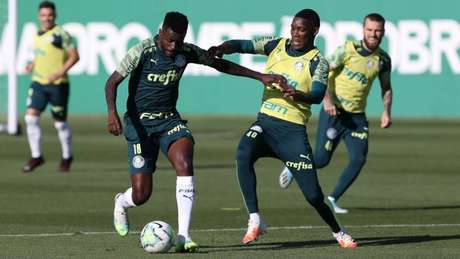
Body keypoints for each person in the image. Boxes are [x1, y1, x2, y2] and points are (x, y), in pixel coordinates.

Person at [105, 11, 288, 253]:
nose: (173, 47)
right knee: (141, 195)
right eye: (169, 40)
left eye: (178, 42)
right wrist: (112, 113)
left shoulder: (186, 51)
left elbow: (220, 64)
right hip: (139, 125)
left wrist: (259, 76)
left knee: (184, 161)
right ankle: (122, 202)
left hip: (169, 121)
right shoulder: (142, 51)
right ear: (160, 33)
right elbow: (112, 82)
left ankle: (183, 236)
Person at [208, 9, 357, 248]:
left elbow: (318, 95)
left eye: (302, 29)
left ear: (314, 31)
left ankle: (338, 231)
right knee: (243, 152)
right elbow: (243, 44)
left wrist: (297, 94)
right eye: (293, 28)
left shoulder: (318, 61)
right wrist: (223, 47)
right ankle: (255, 219)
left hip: (292, 133)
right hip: (265, 123)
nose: (296, 34)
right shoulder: (275, 45)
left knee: (314, 196)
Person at [279, 13, 393, 214]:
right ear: (363, 29)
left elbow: (386, 87)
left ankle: (332, 198)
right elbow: (322, 72)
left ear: (383, 32)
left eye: (377, 30)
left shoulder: (383, 59)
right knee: (321, 160)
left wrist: (386, 112)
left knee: (359, 158)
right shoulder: (347, 50)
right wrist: (327, 99)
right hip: (335, 113)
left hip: (357, 117)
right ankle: (293, 164)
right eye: (370, 30)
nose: (373, 34)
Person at [22, 1, 79, 173]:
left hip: (58, 85)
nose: (47, 18)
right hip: (39, 83)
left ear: (54, 15)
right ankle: (37, 156)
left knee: (60, 124)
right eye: (43, 15)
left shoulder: (60, 34)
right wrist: (32, 65)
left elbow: (75, 56)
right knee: (30, 118)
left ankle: (67, 156)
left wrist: (60, 72)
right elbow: (42, 55)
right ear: (39, 16)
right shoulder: (37, 34)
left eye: (50, 15)